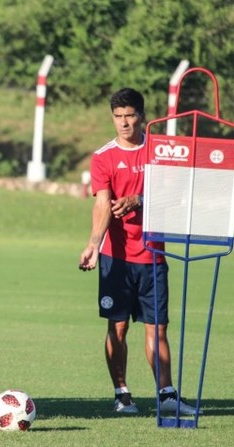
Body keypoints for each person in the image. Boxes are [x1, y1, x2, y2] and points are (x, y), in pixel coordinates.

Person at [78, 87, 197, 415]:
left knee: (157, 328)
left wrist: (139, 200)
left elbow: (175, 195)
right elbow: (102, 203)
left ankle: (167, 395)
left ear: (142, 116)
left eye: (130, 115)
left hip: (153, 255)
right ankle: (122, 394)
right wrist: (93, 244)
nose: (124, 123)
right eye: (118, 117)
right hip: (116, 258)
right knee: (117, 327)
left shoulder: (161, 150)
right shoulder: (103, 156)